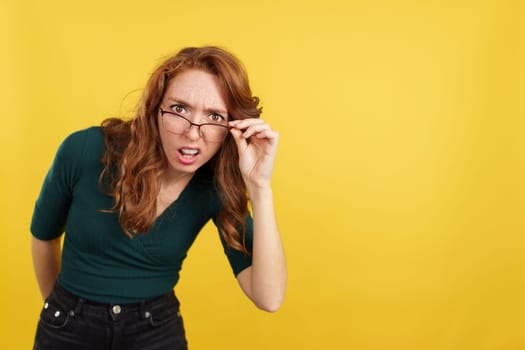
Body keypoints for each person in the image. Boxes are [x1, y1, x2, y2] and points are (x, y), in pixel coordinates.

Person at [30, 46, 287, 350]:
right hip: (67, 326)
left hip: (154, 330)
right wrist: (65, 314)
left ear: (233, 127)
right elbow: (43, 236)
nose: (194, 133)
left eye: (214, 116)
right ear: (155, 108)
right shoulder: (83, 150)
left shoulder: (214, 187)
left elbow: (269, 297)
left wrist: (259, 186)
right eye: (179, 109)